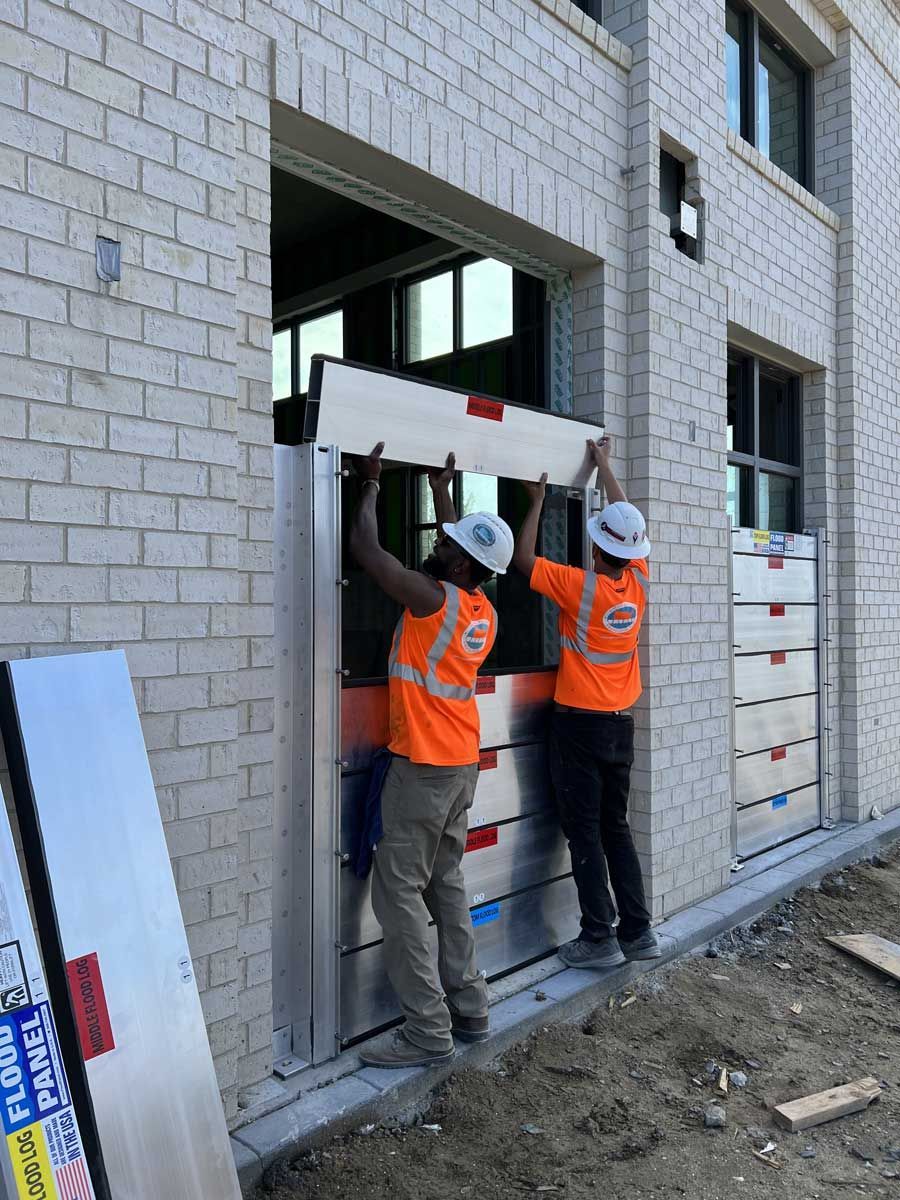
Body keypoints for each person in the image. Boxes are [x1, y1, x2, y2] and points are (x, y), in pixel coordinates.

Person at [349, 441, 514, 1067]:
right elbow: (458, 557)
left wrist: (369, 484)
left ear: (463, 566)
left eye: (447, 546)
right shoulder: (483, 611)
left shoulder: (431, 598)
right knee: (446, 883)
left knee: (398, 896)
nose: (437, 546)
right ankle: (470, 1005)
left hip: (420, 769)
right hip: (459, 766)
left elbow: (367, 551)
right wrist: (443, 492)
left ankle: (427, 1031)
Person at [513, 435, 660, 969]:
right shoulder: (638, 584)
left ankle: (598, 937)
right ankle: (638, 932)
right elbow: (629, 532)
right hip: (621, 726)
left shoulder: (581, 587)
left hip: (579, 729)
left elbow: (523, 561)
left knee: (584, 833)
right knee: (615, 826)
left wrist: (536, 502)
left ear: (598, 550)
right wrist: (605, 468)